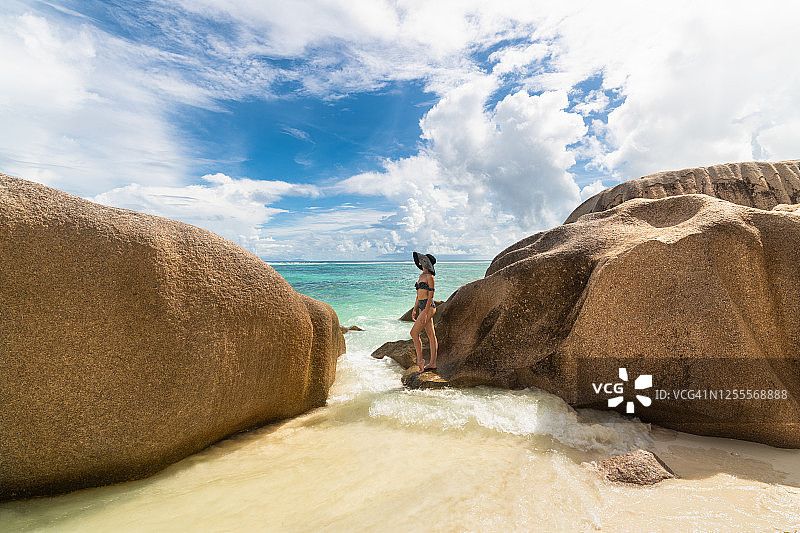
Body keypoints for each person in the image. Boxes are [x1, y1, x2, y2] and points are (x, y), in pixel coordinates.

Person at [410, 251, 438, 372]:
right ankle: (433, 363)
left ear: (426, 263)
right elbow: (418, 295)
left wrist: (425, 312)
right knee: (431, 335)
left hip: (429, 307)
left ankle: (420, 361)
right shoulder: (421, 276)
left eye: (422, 261)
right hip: (421, 306)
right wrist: (414, 309)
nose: (419, 262)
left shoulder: (430, 277)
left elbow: (431, 296)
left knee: (413, 333)